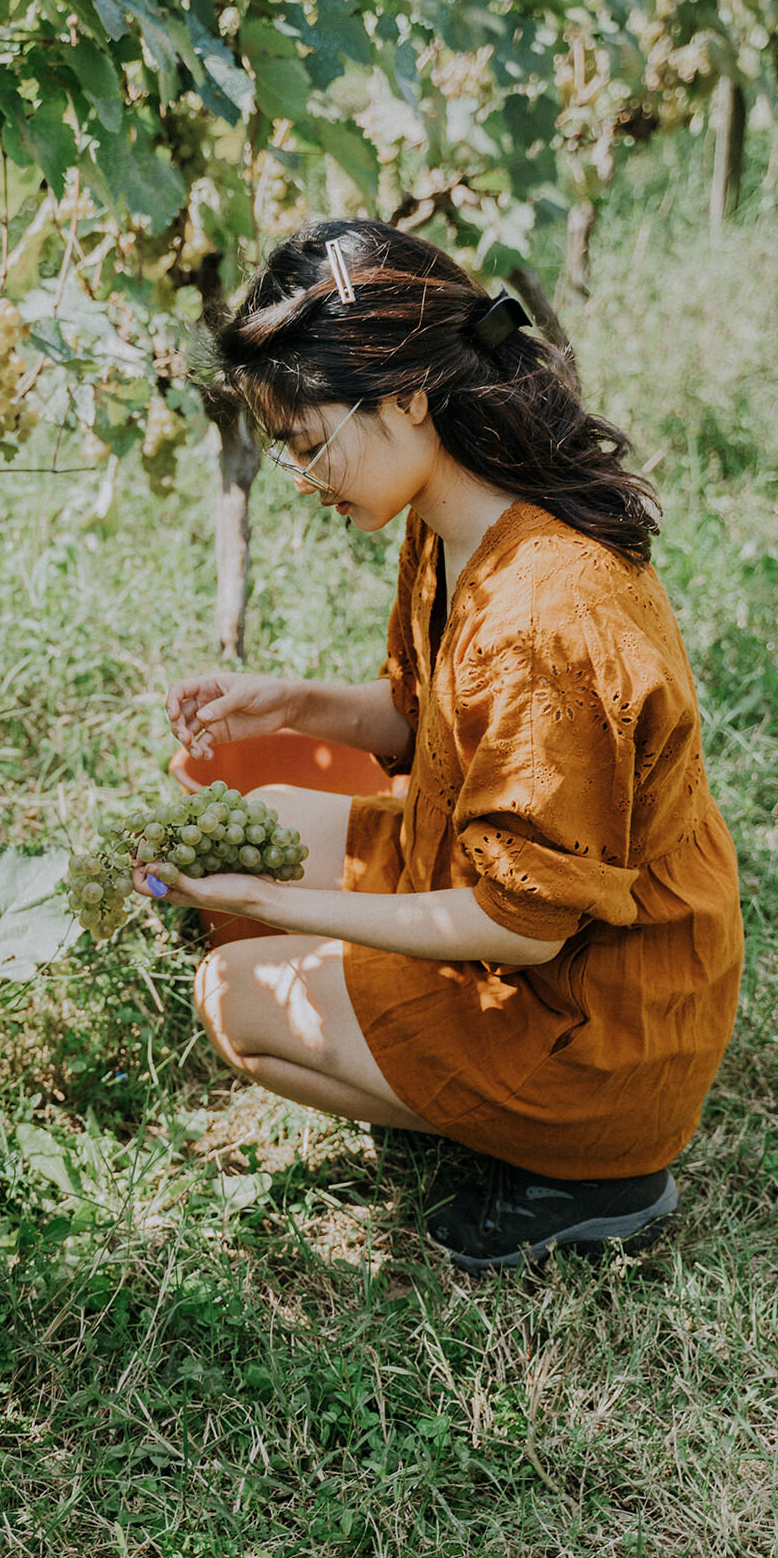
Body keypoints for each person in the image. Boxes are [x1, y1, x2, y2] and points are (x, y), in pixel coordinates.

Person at [138, 220, 743, 1272]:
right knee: (271, 826)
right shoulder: (456, 513)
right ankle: (437, 1063)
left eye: (307, 439)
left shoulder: (547, 616)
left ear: (408, 393)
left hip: (596, 1014)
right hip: (552, 921)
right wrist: (287, 703)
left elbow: (521, 926)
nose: (301, 472)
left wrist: (279, 913)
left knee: (235, 992)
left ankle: (587, 1171)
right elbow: (425, 722)